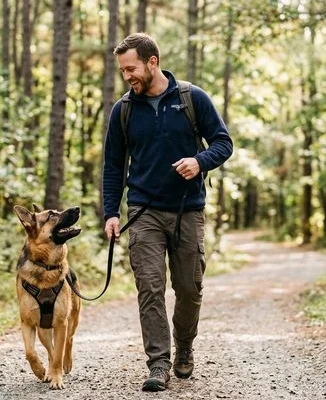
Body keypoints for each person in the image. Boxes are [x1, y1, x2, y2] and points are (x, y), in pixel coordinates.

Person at [102, 33, 234, 392]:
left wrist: (199, 161)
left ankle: (185, 347)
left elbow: (224, 143)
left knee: (189, 289)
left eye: (131, 68)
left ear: (152, 62)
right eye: (123, 70)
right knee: (149, 287)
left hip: (187, 211)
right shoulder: (124, 109)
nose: (127, 76)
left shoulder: (193, 98)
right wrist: (110, 212)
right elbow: (113, 165)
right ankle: (158, 362)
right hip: (142, 212)